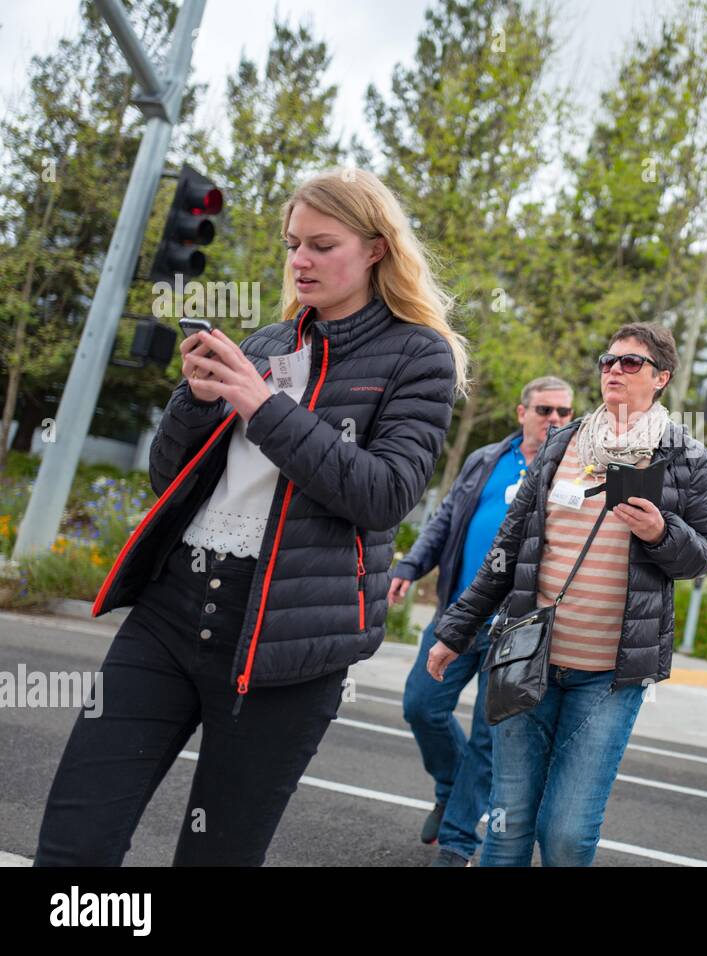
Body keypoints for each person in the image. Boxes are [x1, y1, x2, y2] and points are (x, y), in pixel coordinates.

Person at [34, 167, 466, 866]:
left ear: (377, 248)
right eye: (294, 244)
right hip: (173, 609)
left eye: (322, 245)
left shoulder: (420, 356)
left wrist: (264, 410)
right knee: (74, 842)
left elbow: (383, 494)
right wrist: (197, 397)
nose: (300, 260)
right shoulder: (265, 344)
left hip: (290, 643)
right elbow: (169, 480)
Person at [427, 322, 707, 866]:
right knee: (508, 826)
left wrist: (661, 532)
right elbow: (508, 546)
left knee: (565, 834)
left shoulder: (684, 457)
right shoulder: (565, 443)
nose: (613, 369)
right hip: (527, 658)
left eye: (629, 363)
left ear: (661, 377)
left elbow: (705, 552)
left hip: (609, 676)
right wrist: (455, 629)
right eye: (608, 360)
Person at [391, 377, 574, 866]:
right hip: (459, 614)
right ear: (522, 412)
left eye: (563, 411)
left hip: (518, 629)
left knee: (487, 739)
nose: (554, 419)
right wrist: (411, 566)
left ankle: (456, 844)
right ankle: (452, 788)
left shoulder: (575, 473)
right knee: (421, 707)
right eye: (544, 410)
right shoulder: (485, 459)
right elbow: (446, 519)